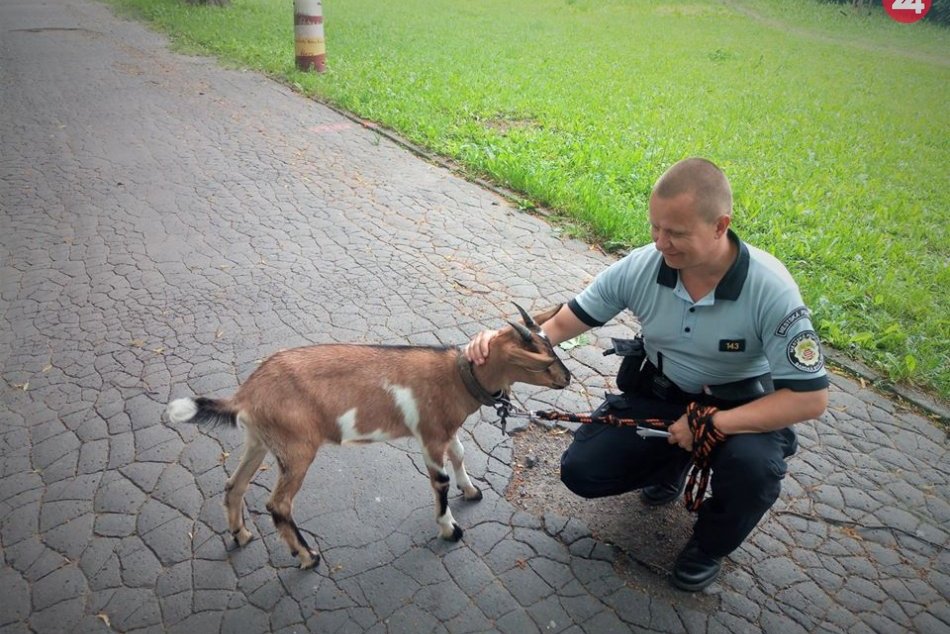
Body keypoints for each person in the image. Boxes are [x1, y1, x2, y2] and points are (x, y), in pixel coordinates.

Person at [465, 157, 829, 591]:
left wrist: (711, 424)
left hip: (739, 406)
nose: (661, 242)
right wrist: (502, 342)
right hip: (662, 392)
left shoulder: (771, 290)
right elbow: (565, 322)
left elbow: (810, 399)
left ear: (720, 226)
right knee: (582, 470)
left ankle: (709, 545)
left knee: (756, 471)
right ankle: (669, 466)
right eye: (655, 227)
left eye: (676, 232)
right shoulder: (642, 266)